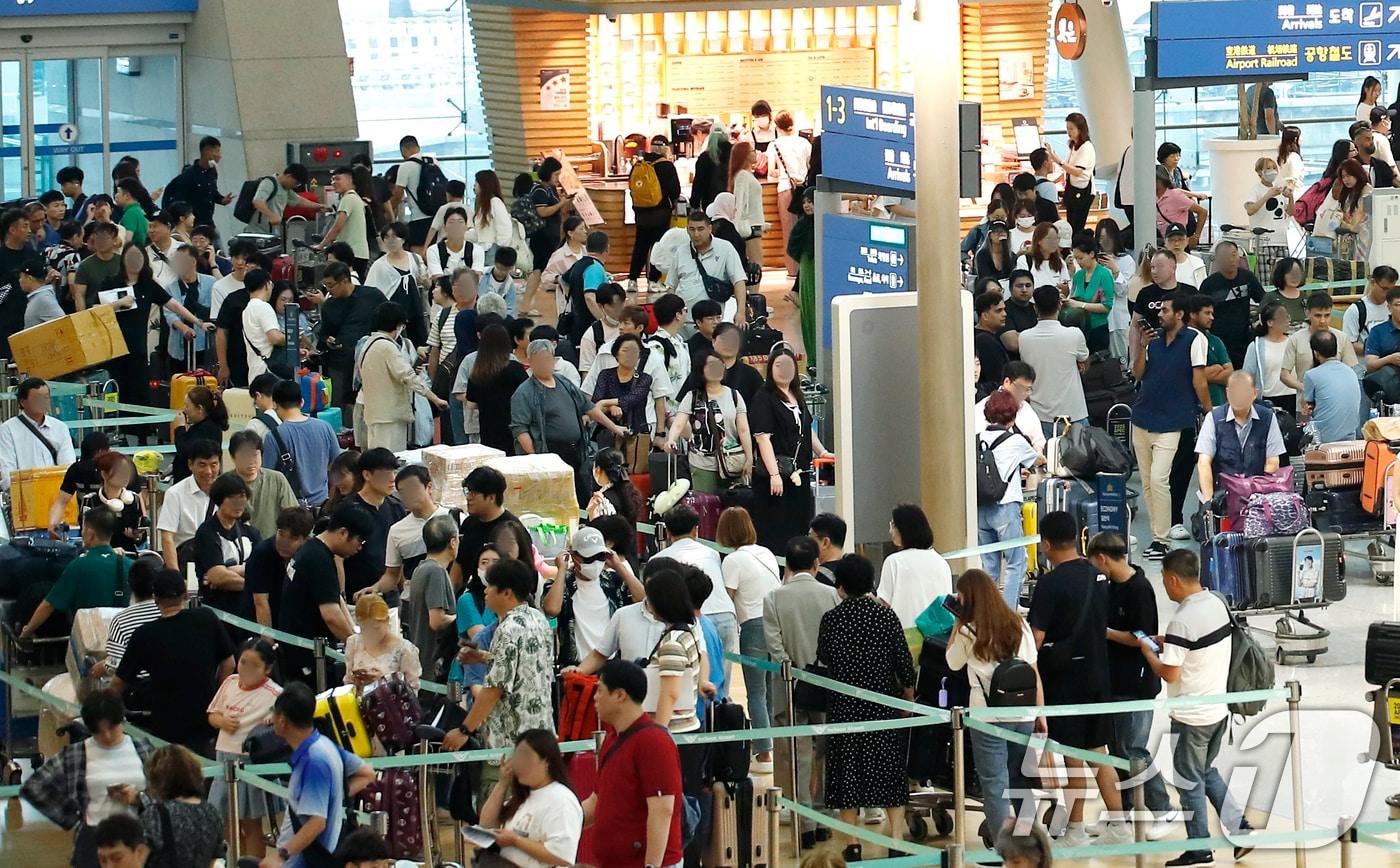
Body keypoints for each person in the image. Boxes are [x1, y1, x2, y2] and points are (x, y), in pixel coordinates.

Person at [1138, 550, 1257, 867]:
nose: (1164, 586)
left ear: (1174, 579)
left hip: (1191, 717)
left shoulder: (1182, 620)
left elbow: (1170, 672)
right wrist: (1169, 641)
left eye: (1164, 580)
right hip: (1218, 710)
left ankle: (1199, 847)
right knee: (1205, 772)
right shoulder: (1216, 602)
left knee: (1189, 782)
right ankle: (1241, 829)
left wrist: (1147, 652)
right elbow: (1196, 647)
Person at [1027, 511, 1130, 847]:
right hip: (1099, 675)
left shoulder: (1049, 584)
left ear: (1045, 544)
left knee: (1072, 757)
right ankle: (1119, 824)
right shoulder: (1098, 575)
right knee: (1098, 752)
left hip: (1065, 681)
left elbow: (1035, 640)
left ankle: (1075, 829)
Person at [818, 554, 917, 863]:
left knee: (848, 773)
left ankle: (852, 842)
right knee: (889, 772)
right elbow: (903, 662)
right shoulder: (885, 617)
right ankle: (897, 838)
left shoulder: (832, 620)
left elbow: (823, 658)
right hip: (882, 705)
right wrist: (908, 698)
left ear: (840, 585)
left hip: (845, 706)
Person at [441, 558, 555, 805]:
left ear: (506, 592)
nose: (485, 591)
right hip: (542, 737)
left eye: (490, 586)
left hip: (508, 745)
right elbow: (524, 667)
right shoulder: (539, 620)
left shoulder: (507, 629)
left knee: (499, 819)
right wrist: (483, 657)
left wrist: (464, 729)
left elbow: (494, 689)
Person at [1085, 533, 1174, 835]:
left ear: (1102, 558)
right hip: (1111, 680)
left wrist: (1103, 631)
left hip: (1135, 684)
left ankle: (1163, 809)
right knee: (1117, 750)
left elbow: (1142, 638)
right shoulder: (1107, 586)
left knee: (1132, 749)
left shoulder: (1139, 589)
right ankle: (1122, 813)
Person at [945, 568, 1045, 837]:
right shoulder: (1018, 624)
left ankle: (1004, 849)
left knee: (994, 784)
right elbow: (1033, 671)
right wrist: (1040, 713)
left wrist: (957, 624)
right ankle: (1028, 843)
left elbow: (952, 663)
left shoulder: (969, 631)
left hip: (987, 717)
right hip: (1023, 713)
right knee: (1019, 781)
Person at [762, 535, 839, 848]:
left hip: (790, 687)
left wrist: (791, 672)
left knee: (798, 754)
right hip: (825, 684)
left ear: (787, 565)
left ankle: (804, 820)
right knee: (825, 749)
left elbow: (774, 644)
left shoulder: (774, 598)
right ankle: (822, 816)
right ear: (816, 563)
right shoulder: (831, 595)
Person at [20, 689, 153, 868]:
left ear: (122, 720)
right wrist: (73, 816)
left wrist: (137, 798)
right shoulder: (76, 753)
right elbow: (34, 787)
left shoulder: (143, 748)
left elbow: (163, 793)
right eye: (98, 731)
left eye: (111, 728)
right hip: (94, 839)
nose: (106, 736)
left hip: (138, 836)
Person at [113, 568, 236, 755]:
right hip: (208, 723)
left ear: (155, 599)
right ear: (186, 594)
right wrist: (217, 699)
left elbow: (119, 683)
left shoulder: (145, 635)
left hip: (167, 728)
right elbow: (229, 663)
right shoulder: (206, 618)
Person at [581, 659, 683, 868]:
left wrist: (651, 866)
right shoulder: (612, 738)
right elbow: (596, 801)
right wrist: (555, 824)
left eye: (600, 690)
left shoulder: (653, 742)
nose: (595, 698)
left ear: (619, 695)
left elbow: (662, 810)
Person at [262, 682, 376, 868]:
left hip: (307, 860)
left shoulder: (313, 761)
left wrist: (281, 856)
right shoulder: (325, 745)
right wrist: (333, 798)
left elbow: (316, 823)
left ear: (282, 720)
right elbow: (367, 773)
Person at [1132, 295, 1211, 559]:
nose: (1160, 314)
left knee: (1159, 479)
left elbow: (1199, 380)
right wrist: (1141, 347)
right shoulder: (1152, 340)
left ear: (1180, 314)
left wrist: (1209, 411)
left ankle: (1161, 538)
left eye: (1165, 310)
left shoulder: (1195, 339)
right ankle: (1157, 535)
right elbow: (1138, 374)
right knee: (1146, 482)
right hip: (1142, 416)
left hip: (1174, 419)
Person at [101, 241, 210, 405]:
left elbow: (173, 305)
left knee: (139, 390)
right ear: (123, 259)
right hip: (113, 348)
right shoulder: (111, 282)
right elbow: (96, 310)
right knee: (116, 388)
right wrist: (118, 303)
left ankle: (141, 429)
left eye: (138, 257)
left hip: (138, 349)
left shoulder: (147, 285)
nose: (134, 261)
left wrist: (199, 323)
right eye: (130, 257)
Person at [511, 338, 611, 507]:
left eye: (548, 359)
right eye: (540, 360)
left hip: (577, 449)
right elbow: (520, 429)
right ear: (530, 362)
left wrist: (614, 427)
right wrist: (536, 458)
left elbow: (588, 407)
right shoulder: (524, 392)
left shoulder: (563, 382)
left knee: (580, 494)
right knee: (555, 500)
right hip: (549, 451)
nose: (545, 364)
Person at [750, 346, 831, 553]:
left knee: (799, 527)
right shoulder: (764, 397)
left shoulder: (797, 395)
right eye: (778, 365)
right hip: (776, 474)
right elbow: (763, 439)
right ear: (770, 368)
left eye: (788, 366)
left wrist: (822, 452)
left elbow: (806, 430)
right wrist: (774, 474)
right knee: (777, 530)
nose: (783, 370)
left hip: (799, 473)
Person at [717, 507, 782, 766]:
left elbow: (727, 598)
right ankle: (769, 742)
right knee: (770, 689)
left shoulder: (732, 561)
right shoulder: (765, 552)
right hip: (776, 625)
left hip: (753, 626)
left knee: (755, 691)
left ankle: (763, 750)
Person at [278, 508, 367, 687]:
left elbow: (335, 598)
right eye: (359, 540)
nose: (359, 548)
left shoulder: (316, 550)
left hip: (303, 650)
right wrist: (359, 651)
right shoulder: (318, 559)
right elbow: (331, 615)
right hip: (306, 655)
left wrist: (354, 634)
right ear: (343, 533)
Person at [473, 729, 583, 868]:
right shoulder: (523, 796)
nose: (519, 764)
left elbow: (562, 856)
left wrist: (515, 841)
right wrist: (503, 784)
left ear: (546, 761)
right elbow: (486, 824)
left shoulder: (562, 800)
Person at [18, 508, 131, 641]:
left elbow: (49, 605)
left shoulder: (78, 566)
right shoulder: (130, 565)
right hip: (123, 641)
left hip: (88, 642)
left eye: (83, 529)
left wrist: (26, 632)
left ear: (90, 533)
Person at [977, 390, 1042, 607]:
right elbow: (1037, 460)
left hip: (981, 509)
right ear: (1013, 417)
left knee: (990, 565)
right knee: (1016, 563)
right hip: (1005, 508)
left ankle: (987, 613)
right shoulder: (1015, 441)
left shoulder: (977, 440)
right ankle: (1007, 615)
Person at [357, 301, 446, 451]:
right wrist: (435, 399)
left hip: (373, 413)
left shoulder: (366, 345)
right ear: (398, 326)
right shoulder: (388, 347)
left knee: (377, 461)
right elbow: (408, 376)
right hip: (390, 416)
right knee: (392, 462)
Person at [654, 503, 736, 662]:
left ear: (668, 531)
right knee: (721, 678)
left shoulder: (659, 560)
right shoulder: (712, 553)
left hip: (693, 619)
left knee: (697, 675)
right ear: (695, 530)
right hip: (725, 614)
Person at [665, 348, 752, 495]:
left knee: (734, 505)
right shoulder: (692, 397)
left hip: (732, 461)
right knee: (706, 506)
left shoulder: (734, 395)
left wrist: (749, 458)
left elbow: (743, 430)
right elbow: (679, 423)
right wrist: (671, 439)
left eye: (719, 364)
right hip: (702, 463)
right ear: (701, 370)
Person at [1195, 370, 1286, 502]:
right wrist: (1209, 502)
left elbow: (1273, 462)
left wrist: (1258, 492)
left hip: (1257, 497)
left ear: (1254, 393)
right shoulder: (1214, 418)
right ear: (1227, 393)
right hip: (1223, 496)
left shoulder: (1267, 417)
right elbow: (1203, 462)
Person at [130, 744, 224, 867]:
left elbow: (138, 859)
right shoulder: (211, 812)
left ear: (157, 779)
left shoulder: (155, 814)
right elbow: (214, 861)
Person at [654, 210, 748, 328]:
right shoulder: (681, 251)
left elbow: (739, 281)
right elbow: (671, 287)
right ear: (687, 230)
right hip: (683, 322)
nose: (696, 234)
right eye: (692, 229)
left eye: (700, 229)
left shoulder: (726, 248)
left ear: (709, 228)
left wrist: (740, 312)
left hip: (711, 322)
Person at [1016, 287, 1089, 436]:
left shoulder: (1024, 338)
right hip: (1074, 413)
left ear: (1036, 308)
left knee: (1045, 458)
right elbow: (1085, 363)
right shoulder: (1074, 334)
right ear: (1060, 305)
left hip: (1039, 415)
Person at [262, 379, 343, 508]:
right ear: (302, 402)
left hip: (291, 509)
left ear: (275, 405)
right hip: (323, 505)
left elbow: (267, 478)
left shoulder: (273, 436)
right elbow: (337, 464)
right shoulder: (325, 427)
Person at [191, 472, 261, 622]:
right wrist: (255, 585)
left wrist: (235, 570)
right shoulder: (206, 533)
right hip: (218, 614)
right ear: (220, 499)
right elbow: (219, 577)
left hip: (248, 613)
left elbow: (265, 568)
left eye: (242, 497)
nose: (239, 503)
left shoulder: (251, 532)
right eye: (233, 498)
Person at [313, 263, 381, 414]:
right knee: (339, 405)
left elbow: (389, 318)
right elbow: (324, 334)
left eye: (330, 285)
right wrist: (327, 341)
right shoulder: (329, 305)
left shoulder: (372, 296)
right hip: (339, 362)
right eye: (326, 285)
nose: (328, 290)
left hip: (368, 359)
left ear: (344, 280)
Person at [878, 503, 954, 630]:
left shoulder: (894, 562)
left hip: (905, 635)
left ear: (904, 529)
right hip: (937, 637)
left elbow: (884, 604)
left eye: (893, 525)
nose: (890, 531)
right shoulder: (941, 562)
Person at [462, 321, 530, 453]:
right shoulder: (515, 368)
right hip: (514, 426)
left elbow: (471, 404)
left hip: (488, 428)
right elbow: (527, 394)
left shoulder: (477, 373)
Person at [155, 438, 221, 570]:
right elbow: (167, 537)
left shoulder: (227, 491)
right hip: (188, 561)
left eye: (213, 465)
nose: (208, 471)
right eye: (202, 465)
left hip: (221, 561)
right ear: (190, 465)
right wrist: (175, 575)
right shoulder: (175, 494)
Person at [0, 377, 76, 490]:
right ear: (22, 401)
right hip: (25, 493)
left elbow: (68, 466)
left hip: (56, 492)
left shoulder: (60, 427)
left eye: (46, 398)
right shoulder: (7, 429)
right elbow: (8, 472)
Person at [1199, 240, 1265, 368]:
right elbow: (1200, 312)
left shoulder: (1247, 278)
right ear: (1217, 259)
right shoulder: (1209, 284)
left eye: (1234, 255)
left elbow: (1263, 300)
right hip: (1218, 339)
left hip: (1243, 338)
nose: (1231, 260)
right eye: (1226, 256)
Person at [222, 429, 298, 540]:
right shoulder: (224, 483)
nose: (251, 460)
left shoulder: (277, 479)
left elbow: (293, 516)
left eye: (255, 455)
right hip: (235, 547)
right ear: (233, 457)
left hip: (270, 546)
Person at [248, 506, 315, 629]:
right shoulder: (262, 553)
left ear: (305, 539)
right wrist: (267, 641)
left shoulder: (311, 553)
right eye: (281, 534)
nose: (284, 542)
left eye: (293, 538)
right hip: (260, 624)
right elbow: (261, 603)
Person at [343, 593, 421, 692]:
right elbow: (347, 684)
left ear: (387, 620)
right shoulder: (354, 643)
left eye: (376, 628)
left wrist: (386, 681)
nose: (371, 634)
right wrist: (354, 680)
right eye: (364, 628)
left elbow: (412, 693)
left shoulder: (405, 650)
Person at [1303, 330, 1363, 443]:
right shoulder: (1350, 372)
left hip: (1323, 438)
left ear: (1315, 353)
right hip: (1350, 437)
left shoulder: (1311, 375)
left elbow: (1308, 405)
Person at [165, 243, 217, 370]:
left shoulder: (210, 283)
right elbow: (170, 315)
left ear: (193, 262)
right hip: (178, 345)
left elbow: (214, 310)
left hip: (204, 343)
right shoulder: (170, 287)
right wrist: (184, 328)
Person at [1242, 302, 1297, 416]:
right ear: (1270, 322)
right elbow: (1248, 377)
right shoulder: (1256, 346)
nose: (1287, 320)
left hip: (1294, 397)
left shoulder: (1294, 342)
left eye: (1287, 316)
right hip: (1268, 400)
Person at [317, 166, 371, 278]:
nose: (333, 182)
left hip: (351, 254)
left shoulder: (348, 198)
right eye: (332, 179)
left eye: (337, 179)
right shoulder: (355, 198)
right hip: (359, 254)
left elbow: (337, 227)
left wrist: (321, 245)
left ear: (349, 180)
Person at [170, 135, 232, 228]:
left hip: (208, 222)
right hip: (194, 226)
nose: (219, 156)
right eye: (217, 151)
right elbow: (179, 201)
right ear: (207, 152)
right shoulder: (188, 175)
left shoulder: (212, 171)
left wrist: (222, 200)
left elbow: (212, 192)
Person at [1066, 235, 1114, 353]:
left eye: (1081, 258)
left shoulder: (1104, 274)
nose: (1078, 261)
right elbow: (1073, 297)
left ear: (1091, 254)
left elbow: (1106, 306)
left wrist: (1080, 305)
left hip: (1097, 329)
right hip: (1079, 328)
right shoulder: (1078, 275)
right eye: (1076, 258)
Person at [172, 384, 228, 481]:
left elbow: (185, 451)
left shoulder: (207, 429)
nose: (184, 410)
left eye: (187, 406)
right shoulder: (201, 426)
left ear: (200, 409)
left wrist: (179, 428)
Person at [1344, 265, 1400, 358]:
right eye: (1384, 289)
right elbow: (1348, 344)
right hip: (1365, 368)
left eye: (1391, 290)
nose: (1387, 293)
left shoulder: (1394, 307)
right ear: (1373, 283)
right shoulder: (1356, 310)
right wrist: (1376, 351)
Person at [244, 163, 310, 233]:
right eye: (296, 183)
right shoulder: (269, 182)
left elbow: (299, 201)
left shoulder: (286, 189)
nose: (296, 186)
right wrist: (271, 216)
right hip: (257, 232)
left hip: (271, 232)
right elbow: (257, 201)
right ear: (289, 176)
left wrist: (319, 206)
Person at [586, 447, 646, 525]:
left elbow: (601, 530)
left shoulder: (602, 500)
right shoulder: (628, 492)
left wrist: (591, 511)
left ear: (598, 469)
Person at [973, 291, 1011, 397]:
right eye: (998, 311)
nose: (1004, 314)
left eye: (1004, 309)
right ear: (984, 315)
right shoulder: (985, 341)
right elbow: (997, 378)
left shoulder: (985, 336)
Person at [1155, 169, 1207, 246]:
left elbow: (1203, 212)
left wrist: (1196, 236)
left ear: (1161, 180)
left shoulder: (1175, 196)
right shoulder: (1150, 197)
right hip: (1162, 243)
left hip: (1179, 242)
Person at [19, 257, 64, 327]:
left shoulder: (43, 298)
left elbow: (63, 323)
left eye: (21, 277)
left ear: (29, 278)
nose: (20, 280)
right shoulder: (39, 297)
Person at [1264, 257, 1307, 326]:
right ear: (1281, 274)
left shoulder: (1306, 297)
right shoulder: (1271, 297)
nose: (1294, 277)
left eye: (1297, 273)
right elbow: (1260, 322)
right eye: (1290, 273)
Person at [975, 220, 1015, 288]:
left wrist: (1005, 248)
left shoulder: (1012, 256)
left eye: (1003, 231)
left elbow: (1009, 274)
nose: (1000, 234)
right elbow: (985, 277)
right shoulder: (982, 255)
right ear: (990, 235)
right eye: (996, 231)